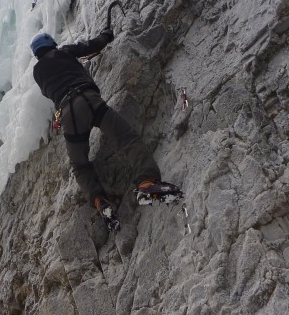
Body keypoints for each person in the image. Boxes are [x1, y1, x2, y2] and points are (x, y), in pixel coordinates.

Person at [31, 29, 183, 232]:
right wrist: (106, 36)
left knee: (80, 166)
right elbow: (89, 46)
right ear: (51, 43)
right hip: (88, 100)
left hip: (67, 114)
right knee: (126, 137)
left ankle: (99, 202)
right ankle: (146, 183)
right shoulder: (64, 52)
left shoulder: (37, 72)